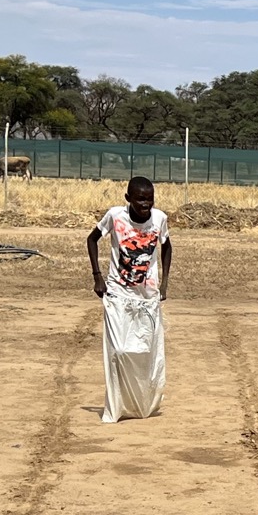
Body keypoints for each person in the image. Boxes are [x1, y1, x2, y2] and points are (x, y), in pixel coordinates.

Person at [88, 177, 172, 423]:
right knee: (119, 351)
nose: (145, 204)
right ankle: (116, 406)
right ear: (128, 199)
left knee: (146, 352)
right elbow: (91, 239)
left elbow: (166, 246)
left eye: (150, 199)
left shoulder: (160, 219)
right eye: (140, 199)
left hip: (147, 298)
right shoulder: (115, 216)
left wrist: (164, 282)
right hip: (117, 294)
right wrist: (97, 277)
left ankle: (142, 404)